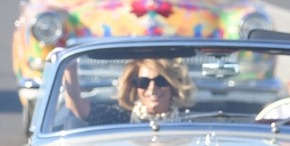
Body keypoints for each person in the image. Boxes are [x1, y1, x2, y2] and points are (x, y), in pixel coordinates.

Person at [62, 55, 192, 126]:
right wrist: (69, 64)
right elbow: (77, 106)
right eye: (143, 82)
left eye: (161, 81)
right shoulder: (121, 119)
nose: (152, 88)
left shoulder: (189, 121)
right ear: (134, 87)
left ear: (173, 84)